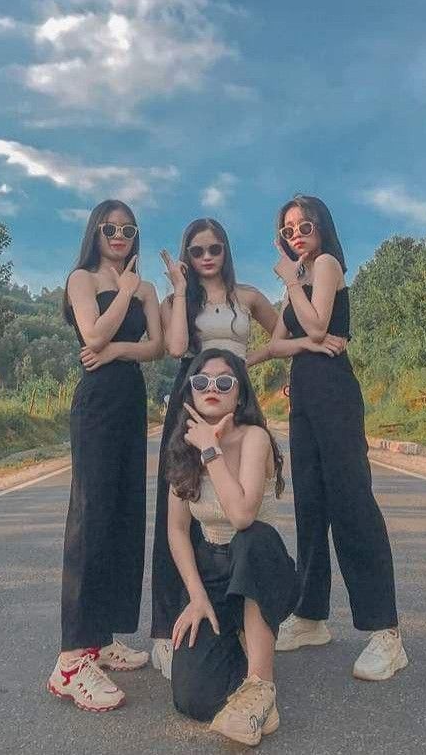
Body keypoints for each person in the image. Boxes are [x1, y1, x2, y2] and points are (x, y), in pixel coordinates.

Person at [267, 194, 408, 681]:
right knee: (310, 506)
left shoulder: (324, 266)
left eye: (304, 225)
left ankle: (385, 634)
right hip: (303, 395)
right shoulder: (299, 281)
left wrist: (292, 287)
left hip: (333, 390)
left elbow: (318, 322)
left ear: (322, 228)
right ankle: (309, 617)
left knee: (351, 503)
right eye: (288, 230)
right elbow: (279, 343)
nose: (296, 234)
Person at [147, 218, 279, 679]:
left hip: (235, 395)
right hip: (194, 398)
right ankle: (165, 631)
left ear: (226, 250)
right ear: (187, 253)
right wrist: (181, 290)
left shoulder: (249, 296)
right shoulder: (177, 299)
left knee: (244, 511)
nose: (206, 256)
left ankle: (248, 615)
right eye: (197, 249)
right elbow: (177, 347)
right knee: (178, 514)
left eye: (214, 248)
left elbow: (283, 334)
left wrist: (251, 360)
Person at [46, 200, 164, 712]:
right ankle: (71, 659)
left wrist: (118, 350)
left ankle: (104, 639)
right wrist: (126, 295)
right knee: (90, 519)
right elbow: (92, 334)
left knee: (123, 517)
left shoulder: (148, 288)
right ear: (95, 232)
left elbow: (158, 345)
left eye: (128, 229)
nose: (119, 235)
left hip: (130, 401)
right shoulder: (81, 279)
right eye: (110, 228)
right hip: (95, 404)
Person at [165, 349, 298, 746]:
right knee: (194, 699)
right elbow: (176, 529)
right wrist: (196, 597)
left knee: (252, 536)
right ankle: (240, 647)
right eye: (201, 381)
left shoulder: (254, 438)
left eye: (224, 382)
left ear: (239, 395)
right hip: (212, 569)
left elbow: (241, 515)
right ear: (190, 390)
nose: (211, 389)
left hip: (260, 564)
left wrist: (211, 449)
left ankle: (260, 686)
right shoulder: (183, 445)